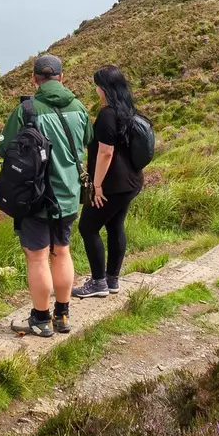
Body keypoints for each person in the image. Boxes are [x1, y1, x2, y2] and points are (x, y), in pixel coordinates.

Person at [0, 54, 91, 338]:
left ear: (34, 78)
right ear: (62, 77)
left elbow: (5, 149)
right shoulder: (79, 107)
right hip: (70, 195)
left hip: (37, 197)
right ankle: (62, 315)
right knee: (62, 251)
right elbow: (86, 140)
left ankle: (40, 319)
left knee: (37, 258)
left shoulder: (28, 110)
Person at [73, 66, 145, 299]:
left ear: (103, 88)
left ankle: (98, 283)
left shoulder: (107, 114)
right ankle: (112, 279)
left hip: (112, 185)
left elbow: (106, 152)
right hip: (131, 181)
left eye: (96, 85)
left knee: (88, 227)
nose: (95, 89)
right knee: (115, 226)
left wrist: (98, 185)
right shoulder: (129, 111)